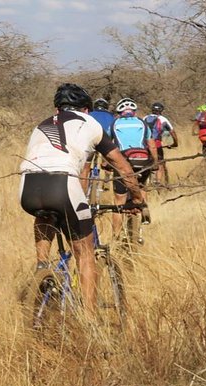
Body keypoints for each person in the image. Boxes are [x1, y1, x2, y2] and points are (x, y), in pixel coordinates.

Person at [19, 84, 145, 314]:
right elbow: (122, 166)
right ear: (86, 109)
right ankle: (90, 319)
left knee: (44, 213)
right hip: (62, 183)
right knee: (85, 252)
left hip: (28, 187)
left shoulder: (42, 124)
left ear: (57, 109)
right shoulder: (90, 123)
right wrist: (136, 198)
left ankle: (42, 269)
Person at [110, 98, 158, 237]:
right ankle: (143, 209)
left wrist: (106, 163)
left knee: (119, 201)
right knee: (141, 187)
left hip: (123, 163)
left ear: (119, 113)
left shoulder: (114, 123)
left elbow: (108, 146)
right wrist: (154, 163)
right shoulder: (143, 123)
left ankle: (116, 236)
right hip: (142, 161)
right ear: (134, 112)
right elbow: (152, 145)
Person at [143, 102, 179, 186]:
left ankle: (145, 180)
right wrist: (175, 143)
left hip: (145, 144)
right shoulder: (163, 119)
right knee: (160, 162)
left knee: (146, 161)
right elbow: (172, 132)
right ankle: (158, 182)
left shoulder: (145, 118)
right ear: (161, 110)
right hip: (156, 144)